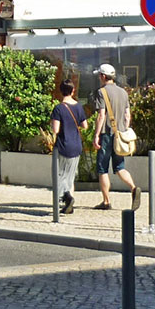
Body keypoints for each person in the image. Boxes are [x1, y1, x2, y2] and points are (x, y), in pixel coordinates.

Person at [93, 64, 141, 211]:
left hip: (107, 134)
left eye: (99, 75)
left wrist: (96, 135)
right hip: (120, 134)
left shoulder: (101, 92)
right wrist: (124, 129)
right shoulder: (123, 92)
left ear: (103, 76)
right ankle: (133, 187)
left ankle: (106, 201)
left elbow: (101, 115)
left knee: (102, 169)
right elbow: (127, 115)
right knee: (120, 167)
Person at [50, 79, 86, 214]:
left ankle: (66, 196)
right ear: (73, 91)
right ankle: (69, 204)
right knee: (70, 176)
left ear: (61, 91)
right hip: (76, 144)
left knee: (59, 174)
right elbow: (85, 125)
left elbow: (55, 129)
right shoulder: (78, 107)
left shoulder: (58, 108)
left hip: (63, 145)